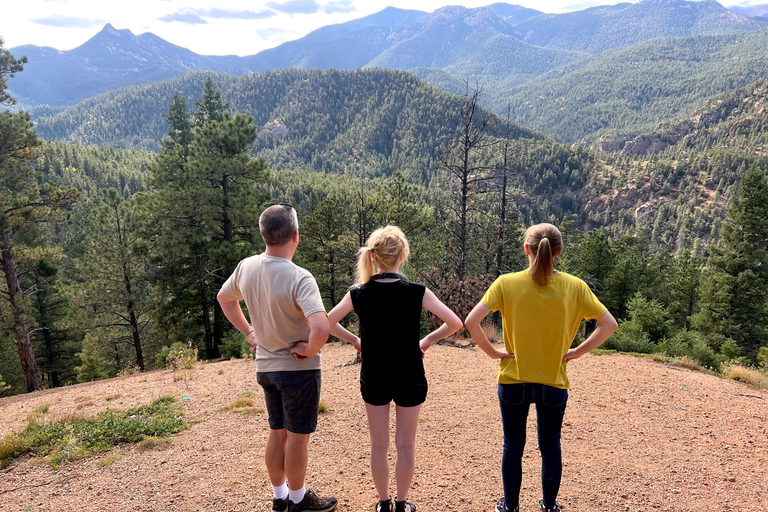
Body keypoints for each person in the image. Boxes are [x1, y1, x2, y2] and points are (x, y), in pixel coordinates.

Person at [298, 225, 462, 512]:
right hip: (410, 374)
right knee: (405, 445)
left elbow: (326, 323)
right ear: (402, 256)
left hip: (374, 375)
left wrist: (354, 340)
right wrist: (426, 340)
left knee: (379, 445)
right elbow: (455, 322)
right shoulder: (417, 292)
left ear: (373, 257)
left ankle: (383, 503)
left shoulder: (358, 293)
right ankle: (401, 504)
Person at [464, 223, 618, 512]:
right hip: (553, 381)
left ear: (526, 250)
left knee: (513, 445)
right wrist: (576, 352)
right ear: (558, 252)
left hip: (512, 379)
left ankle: (510, 507)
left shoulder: (506, 283)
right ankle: (549, 506)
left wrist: (494, 353)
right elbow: (609, 325)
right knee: (550, 446)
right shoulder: (576, 287)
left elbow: (471, 321)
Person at [217, 204, 337, 512]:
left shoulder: (246, 267)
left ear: (264, 235)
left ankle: (280, 495)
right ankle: (299, 500)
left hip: (265, 368)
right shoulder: (300, 277)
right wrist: (309, 349)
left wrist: (248, 333)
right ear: (296, 236)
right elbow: (322, 327)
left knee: (277, 432)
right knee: (297, 440)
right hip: (298, 370)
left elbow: (224, 298)